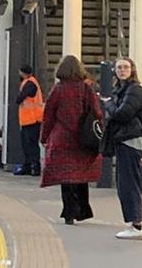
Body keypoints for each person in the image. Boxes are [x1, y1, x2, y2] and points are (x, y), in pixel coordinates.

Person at [40, 54, 102, 224]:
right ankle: (83, 209)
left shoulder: (58, 89)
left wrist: (44, 136)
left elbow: (48, 116)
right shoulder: (86, 88)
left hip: (62, 138)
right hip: (83, 138)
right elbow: (97, 112)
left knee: (66, 176)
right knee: (80, 175)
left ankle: (69, 212)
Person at [103, 56, 142, 238]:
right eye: (119, 67)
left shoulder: (135, 90)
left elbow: (123, 113)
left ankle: (136, 225)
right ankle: (132, 223)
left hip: (130, 141)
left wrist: (108, 105)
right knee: (124, 184)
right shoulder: (122, 90)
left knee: (129, 184)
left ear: (132, 69)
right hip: (124, 140)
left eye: (125, 67)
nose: (122, 70)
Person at [14, 64, 45, 176]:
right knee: (28, 144)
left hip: (32, 119)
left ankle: (34, 167)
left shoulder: (30, 83)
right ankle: (29, 166)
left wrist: (18, 98)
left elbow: (20, 98)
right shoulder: (31, 82)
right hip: (29, 119)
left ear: (22, 72)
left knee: (31, 144)